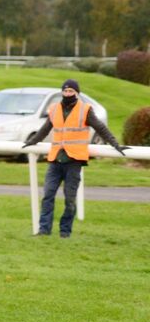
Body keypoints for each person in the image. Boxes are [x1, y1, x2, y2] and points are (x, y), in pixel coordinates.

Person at [23, 78, 128, 237]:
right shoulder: (54, 109)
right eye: (65, 91)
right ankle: (44, 231)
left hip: (74, 162)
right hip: (55, 160)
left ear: (77, 93)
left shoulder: (85, 110)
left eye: (71, 91)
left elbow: (100, 128)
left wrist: (115, 144)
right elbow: (44, 130)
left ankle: (65, 232)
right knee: (47, 195)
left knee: (69, 200)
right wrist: (30, 142)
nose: (67, 94)